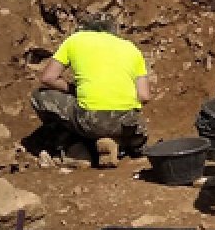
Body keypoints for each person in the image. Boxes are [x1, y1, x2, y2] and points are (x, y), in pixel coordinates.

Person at [30, 12, 152, 168]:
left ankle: (74, 147)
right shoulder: (131, 48)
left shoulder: (75, 40)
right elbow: (144, 96)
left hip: (90, 120)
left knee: (39, 96)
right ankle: (118, 142)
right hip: (127, 123)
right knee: (125, 124)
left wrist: (72, 89)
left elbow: (48, 78)